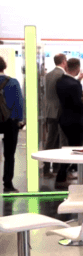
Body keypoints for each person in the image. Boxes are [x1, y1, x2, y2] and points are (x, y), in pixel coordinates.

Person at [55, 58, 83, 187]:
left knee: (73, 147)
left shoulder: (61, 81)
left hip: (65, 119)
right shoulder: (75, 85)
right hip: (76, 121)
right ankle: (62, 176)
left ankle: (82, 173)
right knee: (76, 147)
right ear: (78, 68)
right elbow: (77, 104)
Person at [0, 57, 24, 193]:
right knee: (10, 154)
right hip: (10, 122)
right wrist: (19, 120)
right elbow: (19, 103)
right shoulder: (13, 82)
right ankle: (8, 184)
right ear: (4, 66)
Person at [43, 53, 67, 177]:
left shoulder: (48, 75)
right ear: (64, 62)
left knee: (52, 140)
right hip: (59, 112)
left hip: (49, 111)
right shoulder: (62, 75)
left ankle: (51, 168)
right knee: (55, 141)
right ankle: (49, 169)